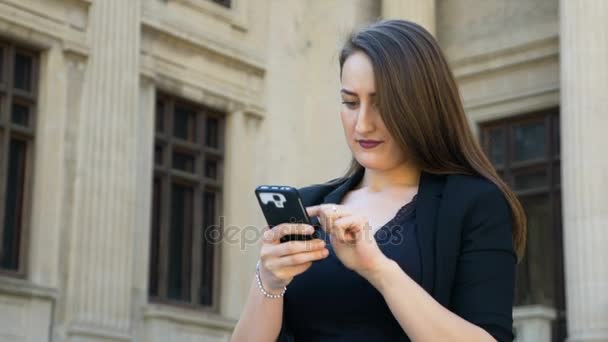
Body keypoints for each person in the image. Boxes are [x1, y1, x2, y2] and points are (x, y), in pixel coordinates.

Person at [231, 19, 526, 342]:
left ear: (422, 107)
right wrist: (269, 282)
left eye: (382, 103)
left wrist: (378, 270)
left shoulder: (474, 203)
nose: (363, 124)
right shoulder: (310, 205)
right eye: (351, 102)